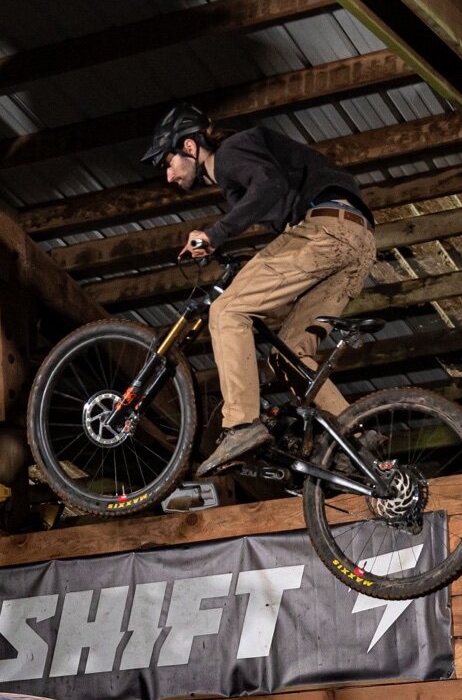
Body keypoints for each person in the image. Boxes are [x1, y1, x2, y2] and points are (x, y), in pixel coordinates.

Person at [145, 103, 376, 479]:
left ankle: (241, 425)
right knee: (289, 356)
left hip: (326, 230)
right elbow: (270, 195)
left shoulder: (231, 151)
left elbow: (269, 186)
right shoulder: (241, 168)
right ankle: (355, 441)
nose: (169, 176)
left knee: (227, 311)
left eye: (167, 163)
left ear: (189, 146)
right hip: (357, 240)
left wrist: (215, 233)